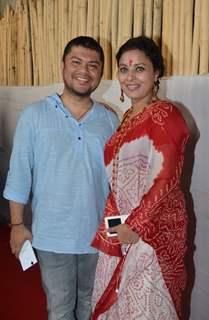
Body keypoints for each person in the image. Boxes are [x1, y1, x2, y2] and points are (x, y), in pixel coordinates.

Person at [3, 36, 118, 320]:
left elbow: (117, 183)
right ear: (62, 66)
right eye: (76, 62)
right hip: (52, 237)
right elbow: (19, 174)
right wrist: (17, 225)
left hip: (98, 236)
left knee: (91, 306)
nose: (84, 70)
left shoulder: (109, 120)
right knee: (61, 309)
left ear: (101, 72)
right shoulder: (35, 115)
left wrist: (115, 230)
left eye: (93, 65)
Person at [91, 36, 190, 320]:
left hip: (153, 231)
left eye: (139, 69)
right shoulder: (126, 120)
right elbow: (116, 181)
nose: (130, 77)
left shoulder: (165, 114)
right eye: (123, 69)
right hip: (123, 226)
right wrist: (114, 227)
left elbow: (166, 178)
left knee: (145, 306)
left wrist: (135, 226)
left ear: (156, 72)